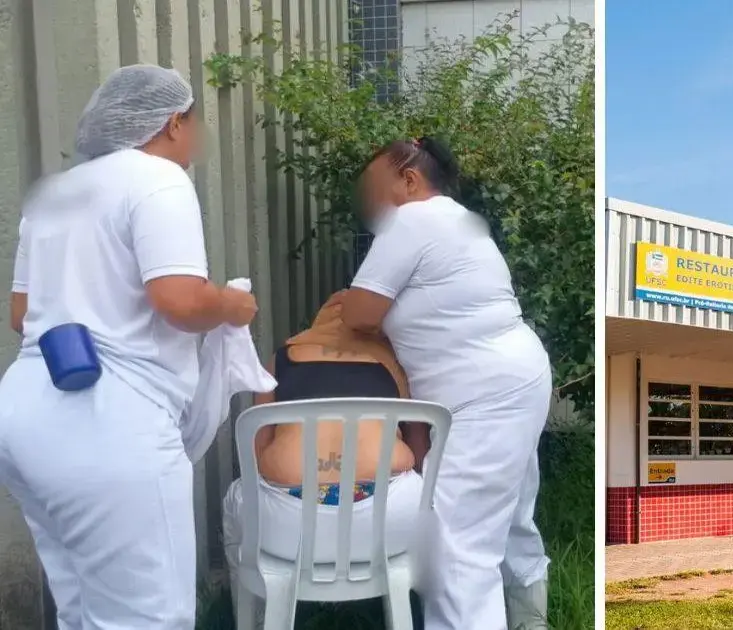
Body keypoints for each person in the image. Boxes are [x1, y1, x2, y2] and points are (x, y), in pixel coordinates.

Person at [0, 65, 258, 629]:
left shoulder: (55, 194)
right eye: (195, 124)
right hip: (106, 424)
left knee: (83, 610)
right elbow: (181, 301)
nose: (197, 140)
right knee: (150, 618)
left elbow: (23, 315)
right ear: (172, 123)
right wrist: (233, 307)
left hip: (24, 414)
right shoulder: (158, 178)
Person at [343, 137, 553, 630]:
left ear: (410, 179)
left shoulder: (414, 218)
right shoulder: (455, 219)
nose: (372, 205)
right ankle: (530, 619)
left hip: (487, 394)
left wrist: (353, 303)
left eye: (377, 188)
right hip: (509, 381)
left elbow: (359, 313)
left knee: (455, 539)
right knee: (508, 516)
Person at [221, 293, 429, 575]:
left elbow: (256, 451)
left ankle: (254, 608)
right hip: (384, 516)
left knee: (237, 494)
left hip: (288, 524)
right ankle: (415, 595)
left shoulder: (281, 359)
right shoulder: (394, 365)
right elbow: (420, 454)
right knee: (424, 488)